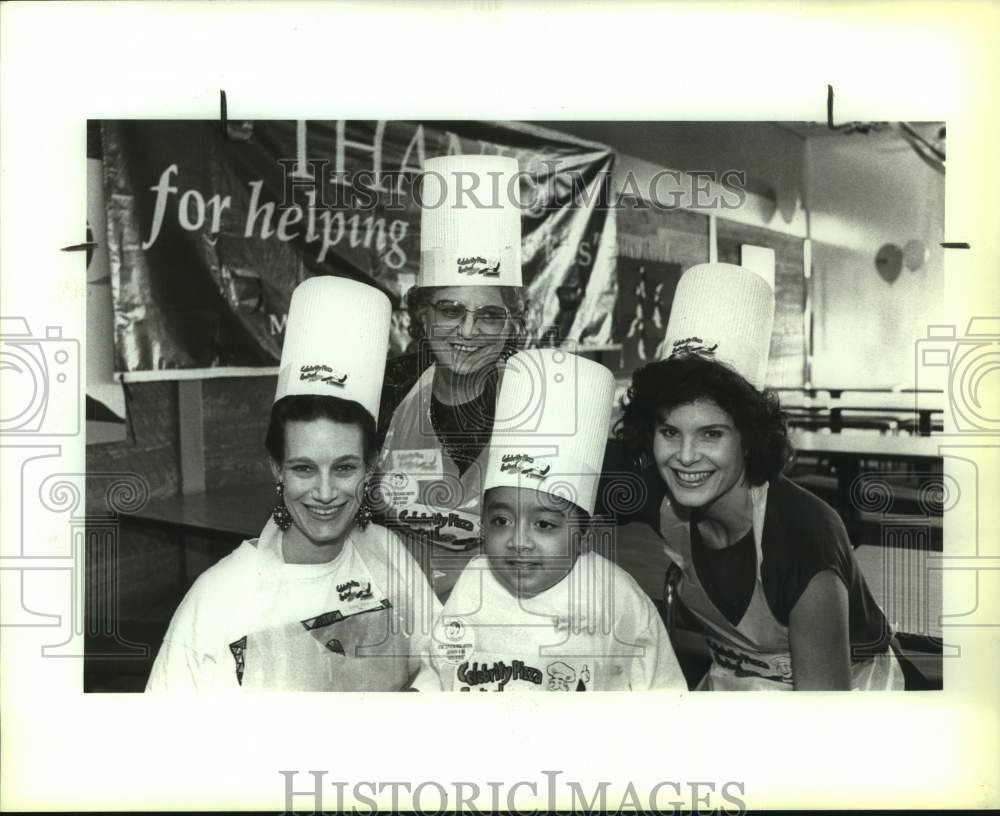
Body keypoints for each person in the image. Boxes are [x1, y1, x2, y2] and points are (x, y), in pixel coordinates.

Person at [616, 263, 905, 691]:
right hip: (733, 689)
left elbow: (825, 724)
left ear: (749, 439)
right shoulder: (660, 496)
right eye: (669, 432)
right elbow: (554, 487)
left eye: (712, 433)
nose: (686, 457)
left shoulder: (804, 539)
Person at [146, 276, 440, 691]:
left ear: (372, 467)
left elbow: (445, 665)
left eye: (344, 468)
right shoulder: (217, 599)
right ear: (276, 469)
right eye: (303, 468)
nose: (324, 492)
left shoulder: (388, 554)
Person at [411, 348, 687, 692]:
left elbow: (664, 693)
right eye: (500, 520)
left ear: (585, 536)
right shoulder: (474, 583)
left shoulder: (617, 598)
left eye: (544, 524)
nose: (518, 541)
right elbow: (436, 671)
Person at [373, 155, 526, 589]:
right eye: (451, 310)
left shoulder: (537, 404)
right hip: (399, 612)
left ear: (510, 325)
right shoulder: (385, 397)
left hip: (505, 619)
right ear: (422, 317)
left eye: (491, 315)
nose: (469, 331)